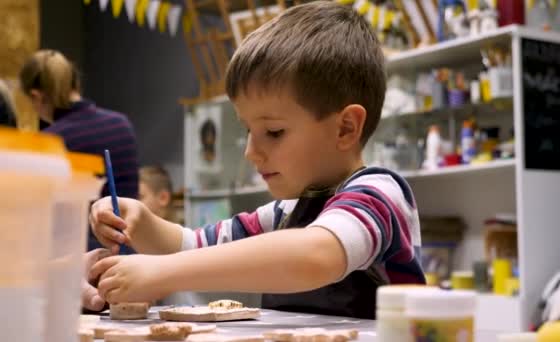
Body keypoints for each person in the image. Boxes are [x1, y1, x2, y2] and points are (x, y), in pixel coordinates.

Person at [89, 1, 424, 319]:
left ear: (346, 128)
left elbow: (313, 256)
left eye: (274, 132)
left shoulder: (379, 196)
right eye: (248, 130)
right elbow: (191, 246)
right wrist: (141, 221)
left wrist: (163, 274)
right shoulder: (284, 214)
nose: (251, 151)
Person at [19, 50, 139, 255]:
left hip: (80, 262)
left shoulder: (50, 141)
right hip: (130, 251)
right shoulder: (121, 124)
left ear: (36, 96)